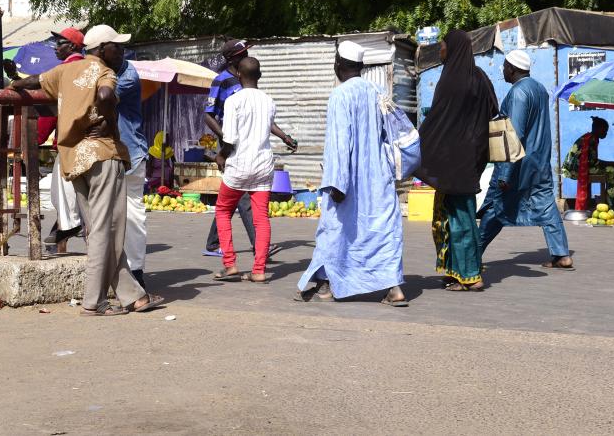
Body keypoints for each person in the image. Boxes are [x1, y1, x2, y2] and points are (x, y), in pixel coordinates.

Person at [11, 24, 164, 316]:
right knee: (107, 230)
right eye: (115, 46)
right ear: (101, 49)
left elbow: (31, 81)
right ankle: (94, 301)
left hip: (72, 158)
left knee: (97, 228)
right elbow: (106, 97)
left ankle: (134, 296)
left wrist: (13, 86)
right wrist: (108, 120)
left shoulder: (66, 71)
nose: (120, 51)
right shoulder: (107, 73)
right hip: (101, 154)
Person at [295, 41, 407, 306]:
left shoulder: (340, 95)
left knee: (333, 230)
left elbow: (339, 142)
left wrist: (336, 182)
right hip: (378, 177)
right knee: (381, 232)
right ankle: (394, 289)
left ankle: (327, 286)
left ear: (339, 64)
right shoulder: (377, 90)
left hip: (349, 178)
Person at [478, 50, 574, 270]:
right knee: (546, 205)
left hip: (518, 163)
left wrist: (504, 173)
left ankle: (472, 255)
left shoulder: (519, 93)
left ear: (512, 68)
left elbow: (515, 133)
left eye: (504, 66)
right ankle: (561, 254)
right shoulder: (539, 89)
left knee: (496, 206)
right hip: (539, 161)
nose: (502, 70)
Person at [417, 30, 498, 291]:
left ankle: (471, 276)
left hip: (453, 162)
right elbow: (493, 110)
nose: (440, 52)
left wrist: (415, 148)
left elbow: (438, 120)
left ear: (453, 49)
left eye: (442, 47)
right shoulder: (480, 78)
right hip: (472, 158)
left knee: (458, 218)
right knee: (458, 215)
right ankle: (457, 271)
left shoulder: (450, 80)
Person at [202, 38, 297, 257]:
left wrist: (284, 137)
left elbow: (263, 117)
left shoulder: (246, 78)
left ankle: (214, 242)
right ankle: (258, 246)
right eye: (242, 54)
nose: (245, 56)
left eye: (246, 53)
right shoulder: (222, 81)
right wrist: (224, 139)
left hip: (248, 143)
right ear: (231, 59)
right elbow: (208, 114)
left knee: (233, 195)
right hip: (230, 142)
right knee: (242, 194)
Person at [210, 57, 276, 284]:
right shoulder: (269, 101)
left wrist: (221, 156)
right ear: (260, 75)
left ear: (238, 74)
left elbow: (229, 139)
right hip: (263, 166)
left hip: (238, 165)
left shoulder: (233, 101)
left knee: (222, 211)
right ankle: (258, 270)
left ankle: (230, 264)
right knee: (261, 218)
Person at [29, 28, 87, 248]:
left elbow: (49, 110)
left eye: (59, 43)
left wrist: (34, 139)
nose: (55, 47)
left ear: (72, 46)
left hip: (71, 141)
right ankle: (68, 228)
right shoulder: (89, 68)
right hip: (90, 140)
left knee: (63, 191)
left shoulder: (64, 70)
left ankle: (70, 225)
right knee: (74, 195)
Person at [116, 45, 150, 287]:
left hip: (131, 155)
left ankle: (136, 272)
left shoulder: (127, 76)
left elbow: (103, 96)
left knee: (132, 216)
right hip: (111, 154)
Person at [561, 117, 614, 210]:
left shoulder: (590, 137)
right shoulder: (591, 140)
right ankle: (613, 205)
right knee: (612, 171)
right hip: (574, 170)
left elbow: (593, 162)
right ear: (598, 129)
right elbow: (594, 163)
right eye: (605, 130)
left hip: (577, 168)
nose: (606, 133)